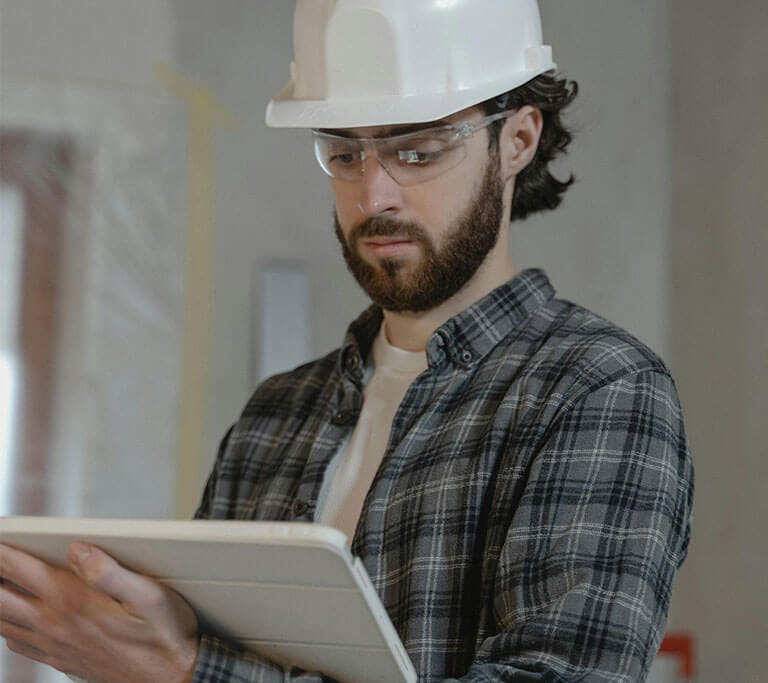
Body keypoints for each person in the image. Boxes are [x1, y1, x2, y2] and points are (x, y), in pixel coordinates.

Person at [0, 1, 694, 681]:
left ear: (517, 139)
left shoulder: (598, 390)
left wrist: (183, 669)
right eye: (343, 151)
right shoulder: (274, 416)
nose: (374, 195)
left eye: (415, 150)